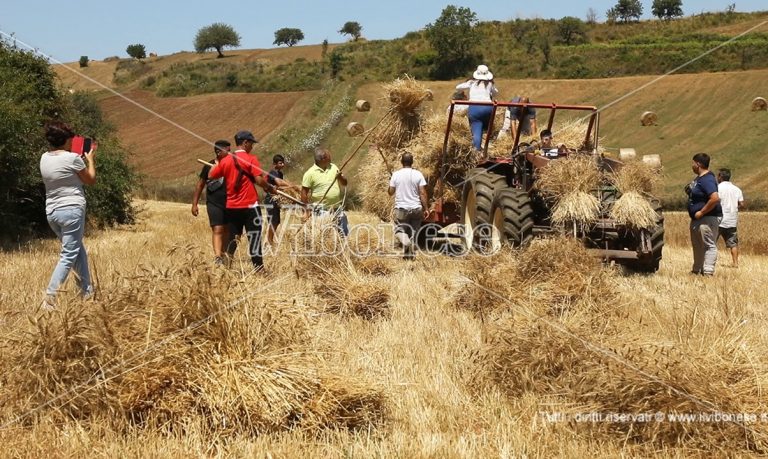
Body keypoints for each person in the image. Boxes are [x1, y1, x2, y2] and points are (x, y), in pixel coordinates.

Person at [39, 121, 97, 309]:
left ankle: (87, 293)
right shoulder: (73, 158)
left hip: (52, 212)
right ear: (65, 140)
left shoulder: (44, 158)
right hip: (71, 210)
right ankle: (49, 299)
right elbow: (90, 180)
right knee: (68, 254)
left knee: (77, 250)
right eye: (71, 139)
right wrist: (90, 159)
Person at [208, 130, 275, 271]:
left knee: (233, 238)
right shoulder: (251, 159)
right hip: (250, 207)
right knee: (254, 238)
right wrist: (269, 188)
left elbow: (211, 174)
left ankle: (226, 266)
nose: (252, 146)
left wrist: (219, 164)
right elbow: (258, 180)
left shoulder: (225, 160)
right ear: (245, 143)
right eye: (251, 143)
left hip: (232, 206)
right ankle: (259, 269)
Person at [191, 140, 231, 265]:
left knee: (227, 230)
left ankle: (225, 254)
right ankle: (218, 257)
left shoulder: (232, 164)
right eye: (227, 151)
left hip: (230, 202)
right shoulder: (209, 165)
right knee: (217, 229)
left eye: (229, 150)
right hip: (214, 203)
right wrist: (194, 203)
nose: (218, 150)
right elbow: (200, 185)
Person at [686, 153, 722, 276]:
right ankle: (696, 270)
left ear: (698, 164)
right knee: (697, 246)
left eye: (693, 163)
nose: (692, 166)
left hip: (706, 218)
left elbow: (715, 198)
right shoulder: (699, 179)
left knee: (708, 245)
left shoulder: (707, 179)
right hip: (697, 219)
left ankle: (708, 272)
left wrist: (701, 212)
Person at [388, 152, 429, 259]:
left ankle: (406, 243)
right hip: (416, 208)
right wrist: (426, 208)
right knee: (414, 232)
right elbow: (423, 193)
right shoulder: (418, 174)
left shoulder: (396, 175)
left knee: (399, 230)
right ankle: (409, 255)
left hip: (402, 209)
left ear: (402, 162)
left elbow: (390, 192)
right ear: (412, 162)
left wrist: (391, 182)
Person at [301, 147, 349, 237]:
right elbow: (304, 193)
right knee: (324, 236)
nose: (331, 157)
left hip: (337, 208)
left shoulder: (333, 167)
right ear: (323, 159)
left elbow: (345, 183)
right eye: (328, 156)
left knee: (343, 233)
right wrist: (306, 211)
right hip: (321, 210)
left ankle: (344, 248)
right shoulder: (310, 173)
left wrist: (340, 177)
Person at [455, 64, 499, 152]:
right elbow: (496, 93)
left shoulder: (472, 83)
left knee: (477, 129)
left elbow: (458, 87)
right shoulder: (490, 84)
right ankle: (489, 148)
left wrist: (468, 84)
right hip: (488, 108)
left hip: (475, 108)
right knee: (488, 128)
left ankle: (477, 151)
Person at [717, 168, 745, 267]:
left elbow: (713, 200)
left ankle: (709, 262)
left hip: (719, 219)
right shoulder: (737, 189)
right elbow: (742, 204)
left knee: (712, 242)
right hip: (732, 220)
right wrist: (734, 207)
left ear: (720, 176)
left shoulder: (717, 188)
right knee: (733, 243)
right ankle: (735, 263)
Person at [264, 154, 286, 246]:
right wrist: (292, 186)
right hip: (270, 199)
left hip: (276, 199)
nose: (282, 165)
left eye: (283, 163)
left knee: (276, 221)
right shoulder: (272, 173)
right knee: (273, 220)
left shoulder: (280, 173)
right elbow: (279, 183)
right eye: (280, 163)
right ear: (275, 164)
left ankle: (270, 240)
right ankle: (269, 241)